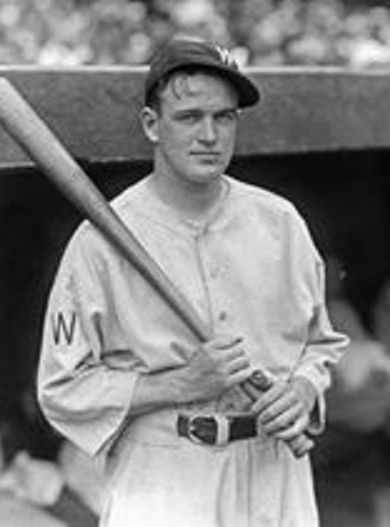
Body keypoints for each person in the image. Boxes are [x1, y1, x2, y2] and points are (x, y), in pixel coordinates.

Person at [37, 37, 348, 527]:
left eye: (224, 118)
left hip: (276, 470)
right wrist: (179, 384)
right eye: (189, 117)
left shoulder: (281, 222)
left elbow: (321, 343)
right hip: (166, 475)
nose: (209, 135)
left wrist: (304, 390)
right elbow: (62, 388)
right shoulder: (98, 243)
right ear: (151, 124)